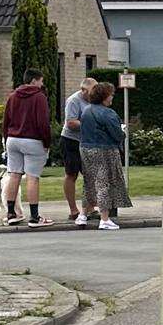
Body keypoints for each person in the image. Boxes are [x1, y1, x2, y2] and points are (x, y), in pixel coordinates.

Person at [2, 68, 53, 227]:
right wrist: (46, 143)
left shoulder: (13, 96)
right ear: (34, 81)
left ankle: (11, 213)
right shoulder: (39, 97)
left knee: (14, 174)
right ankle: (34, 217)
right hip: (32, 140)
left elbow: (6, 120)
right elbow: (43, 123)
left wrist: (6, 139)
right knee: (32, 177)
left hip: (13, 139)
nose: (42, 84)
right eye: (41, 81)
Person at [78, 82, 132, 231]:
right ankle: (105, 219)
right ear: (104, 97)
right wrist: (123, 132)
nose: (112, 97)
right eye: (111, 94)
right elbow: (117, 134)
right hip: (104, 150)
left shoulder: (86, 111)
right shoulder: (108, 113)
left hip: (86, 149)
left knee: (89, 182)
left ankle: (82, 215)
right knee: (104, 184)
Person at [61, 77, 96, 227]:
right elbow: (71, 122)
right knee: (71, 174)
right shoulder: (74, 101)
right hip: (71, 141)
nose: (94, 94)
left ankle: (89, 207)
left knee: (91, 174)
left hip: (87, 142)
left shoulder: (93, 100)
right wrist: (90, 124)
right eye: (92, 91)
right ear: (83, 90)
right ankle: (73, 209)